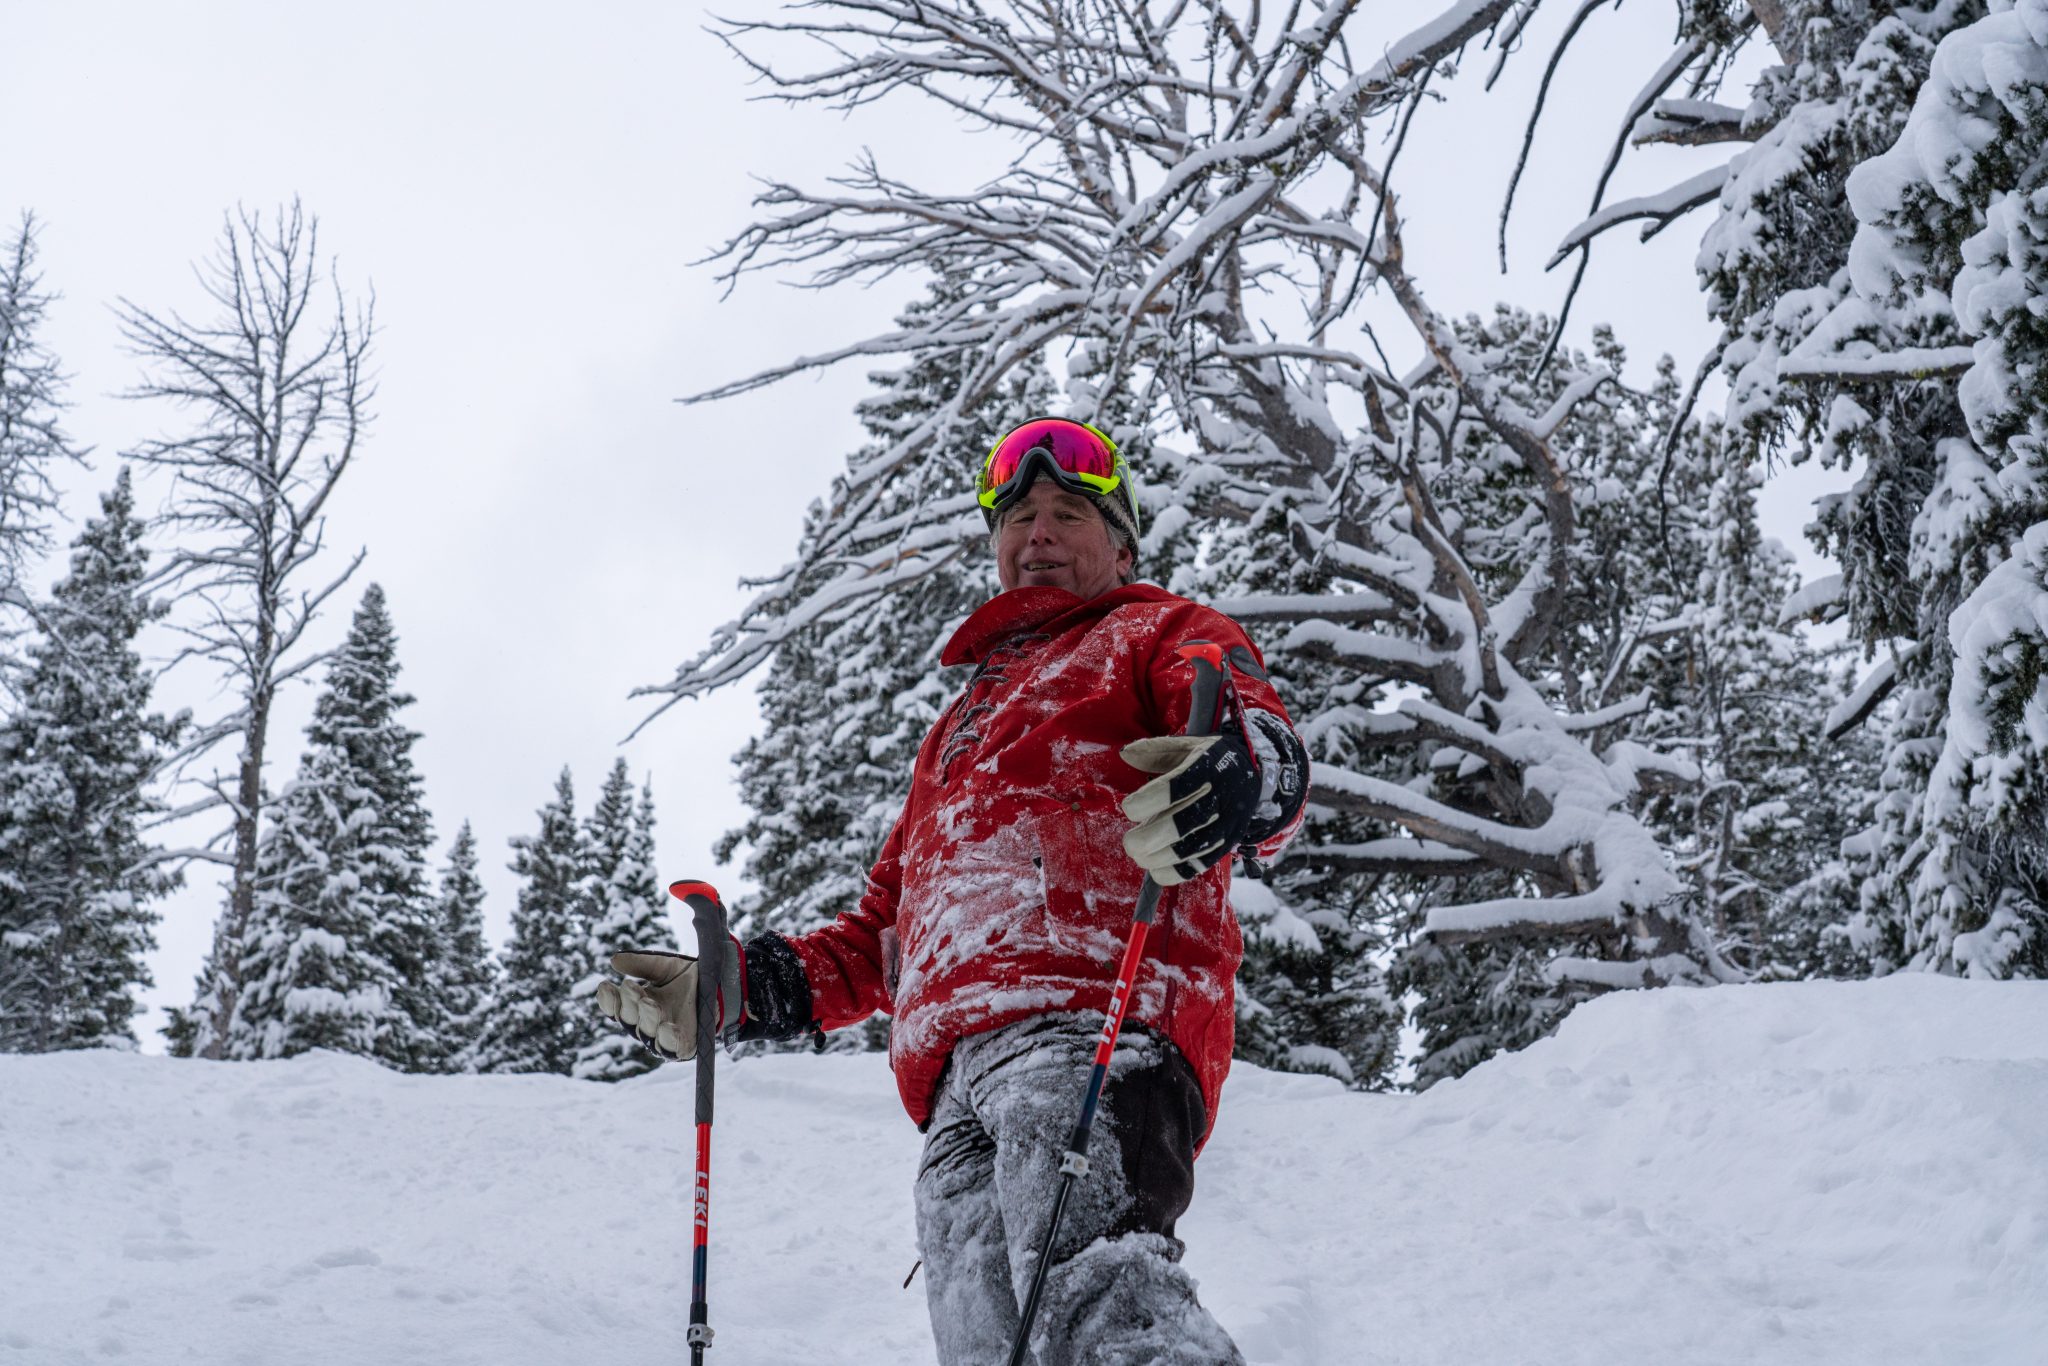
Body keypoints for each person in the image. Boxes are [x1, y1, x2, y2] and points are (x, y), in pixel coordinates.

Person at [597, 417, 1310, 1365]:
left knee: (1108, 1316)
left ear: (1123, 545)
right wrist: (740, 988)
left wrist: (1239, 770)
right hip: (950, 1098)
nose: (1039, 534)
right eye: (1017, 518)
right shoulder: (954, 735)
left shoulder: (1158, 632)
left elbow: (1255, 738)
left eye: (1067, 514)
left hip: (1090, 1028)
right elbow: (881, 939)